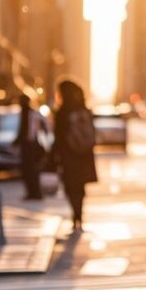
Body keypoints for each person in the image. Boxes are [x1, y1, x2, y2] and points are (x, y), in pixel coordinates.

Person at [53, 80, 97, 232]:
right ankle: (79, 215)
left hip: (68, 156)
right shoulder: (84, 110)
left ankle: (75, 215)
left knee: (70, 186)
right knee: (80, 187)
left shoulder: (62, 112)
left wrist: (53, 157)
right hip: (84, 155)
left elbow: (58, 137)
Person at [15, 95, 49, 200]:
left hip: (31, 145)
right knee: (29, 171)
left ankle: (35, 193)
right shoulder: (29, 113)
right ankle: (32, 193)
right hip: (29, 145)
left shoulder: (31, 113)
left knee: (31, 171)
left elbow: (44, 127)